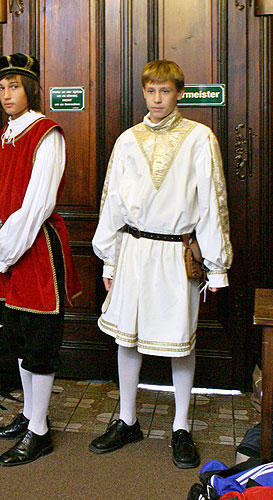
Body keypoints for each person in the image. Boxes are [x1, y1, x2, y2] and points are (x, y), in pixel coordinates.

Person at [89, 60, 233, 469]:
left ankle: (181, 426)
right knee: (126, 337)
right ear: (144, 92)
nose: (157, 99)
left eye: (165, 91)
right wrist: (109, 261)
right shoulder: (127, 140)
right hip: (133, 250)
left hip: (175, 253)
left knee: (180, 340)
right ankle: (127, 418)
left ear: (179, 93)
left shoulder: (199, 138)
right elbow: (112, 202)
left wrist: (218, 267)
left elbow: (211, 202)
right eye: (151, 91)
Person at [0, 53, 82, 466]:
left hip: (35, 248)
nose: (5, 95)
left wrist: (6, 248)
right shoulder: (3, 136)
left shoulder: (47, 133)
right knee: (19, 336)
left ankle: (40, 431)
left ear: (30, 89)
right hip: (9, 248)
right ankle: (29, 414)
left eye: (14, 86)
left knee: (39, 340)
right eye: (1, 88)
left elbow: (39, 202)